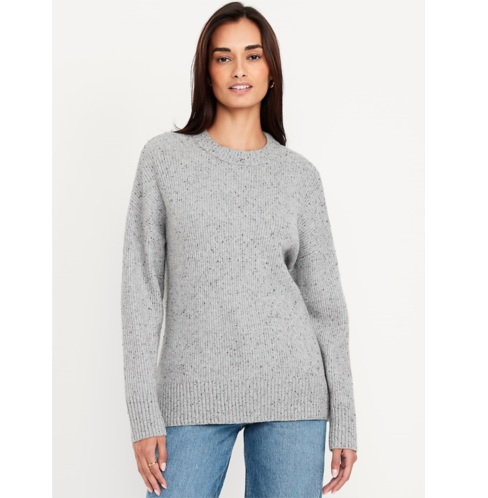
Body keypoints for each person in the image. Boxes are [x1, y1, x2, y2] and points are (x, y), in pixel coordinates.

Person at [121, 2, 357, 497]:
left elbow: (326, 306)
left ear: (271, 71)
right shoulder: (163, 159)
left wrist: (344, 419)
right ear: (205, 71)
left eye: (252, 56)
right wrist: (143, 414)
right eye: (223, 57)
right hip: (190, 393)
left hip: (293, 393)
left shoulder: (299, 176)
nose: (239, 70)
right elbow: (141, 293)